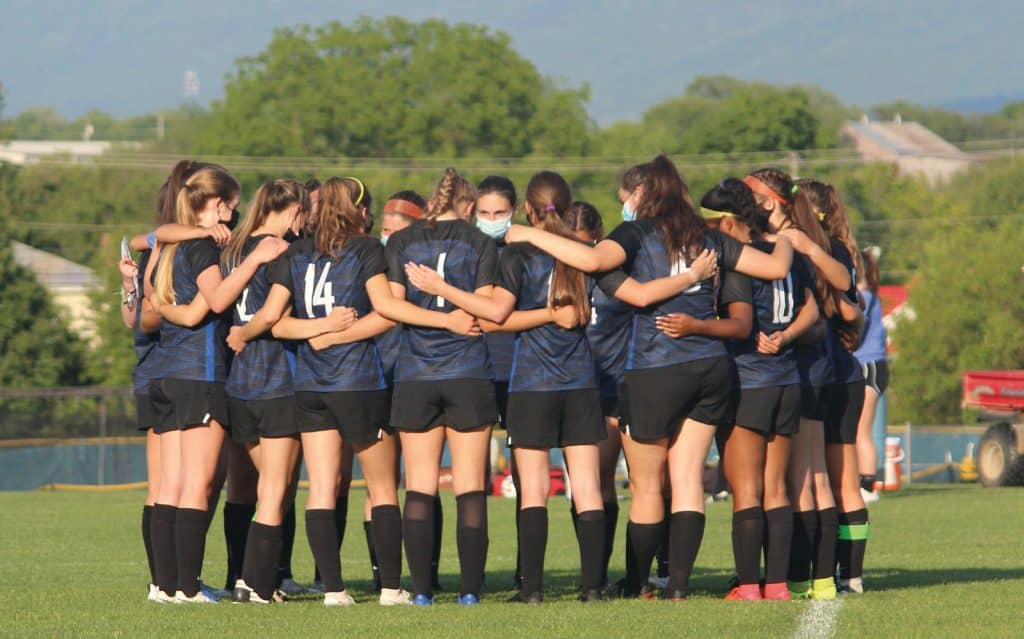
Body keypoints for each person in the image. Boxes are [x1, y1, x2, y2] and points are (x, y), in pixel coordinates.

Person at [505, 155, 794, 600]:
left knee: (644, 487)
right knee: (687, 479)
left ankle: (638, 582)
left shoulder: (636, 233)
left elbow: (590, 258)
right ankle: (678, 587)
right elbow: (775, 269)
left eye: (630, 194)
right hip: (710, 367)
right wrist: (790, 238)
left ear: (642, 194)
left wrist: (528, 234)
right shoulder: (706, 234)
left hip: (656, 367)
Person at [406, 172, 608, 603]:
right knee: (587, 486)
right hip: (581, 382)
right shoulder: (579, 253)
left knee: (533, 488)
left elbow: (499, 317)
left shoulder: (516, 256)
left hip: (532, 381)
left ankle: (531, 588)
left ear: (526, 211)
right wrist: (557, 313)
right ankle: (593, 587)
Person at [145, 165, 288, 604]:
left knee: (168, 485)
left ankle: (165, 587)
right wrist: (255, 260)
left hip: (164, 372)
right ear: (221, 204)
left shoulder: (168, 244)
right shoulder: (203, 247)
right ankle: (188, 588)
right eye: (234, 203)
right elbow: (220, 298)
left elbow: (151, 296)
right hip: (201, 373)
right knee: (196, 484)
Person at [696, 178, 819, 601]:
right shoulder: (783, 251)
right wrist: (785, 337)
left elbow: (740, 322)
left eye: (709, 227)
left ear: (728, 223)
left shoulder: (738, 262)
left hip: (749, 381)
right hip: (787, 380)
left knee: (746, 489)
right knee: (777, 487)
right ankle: (779, 585)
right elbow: (814, 310)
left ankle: (748, 585)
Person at [379, 167, 496, 606]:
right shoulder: (481, 243)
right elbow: (485, 307)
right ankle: (469, 591)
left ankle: (423, 591)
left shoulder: (403, 242)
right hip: (468, 371)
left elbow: (391, 307)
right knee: (469, 484)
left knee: (420, 485)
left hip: (415, 373)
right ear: (468, 206)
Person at [743, 168, 846, 601]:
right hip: (808, 367)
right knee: (810, 477)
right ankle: (817, 579)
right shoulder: (791, 238)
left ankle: (802, 577)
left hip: (800, 369)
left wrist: (783, 335)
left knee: (802, 479)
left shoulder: (794, 242)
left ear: (769, 200)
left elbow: (839, 289)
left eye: (749, 194)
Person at [217, 180, 315, 604]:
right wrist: (244, 333)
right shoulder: (282, 250)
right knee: (277, 489)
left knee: (241, 489)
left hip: (239, 384)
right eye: (306, 212)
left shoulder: (235, 250)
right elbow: (272, 314)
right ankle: (256, 585)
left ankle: (236, 576)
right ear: (294, 210)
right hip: (277, 379)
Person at [798, 178, 869, 596]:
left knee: (828, 479)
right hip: (842, 373)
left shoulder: (825, 250)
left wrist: (852, 322)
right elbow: (853, 311)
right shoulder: (841, 247)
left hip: (832, 375)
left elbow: (847, 305)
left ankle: (841, 573)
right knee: (837, 480)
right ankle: (847, 576)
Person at [563, 201, 627, 590]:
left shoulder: (617, 277)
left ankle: (609, 574)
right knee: (589, 484)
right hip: (575, 388)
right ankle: (596, 574)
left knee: (604, 483)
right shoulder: (558, 274)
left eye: (587, 247)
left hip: (615, 387)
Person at [853, 248, 887, 504]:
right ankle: (862, 481)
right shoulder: (873, 296)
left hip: (869, 365)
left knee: (861, 430)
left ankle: (867, 483)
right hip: (874, 365)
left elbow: (855, 330)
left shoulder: (863, 297)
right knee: (859, 428)